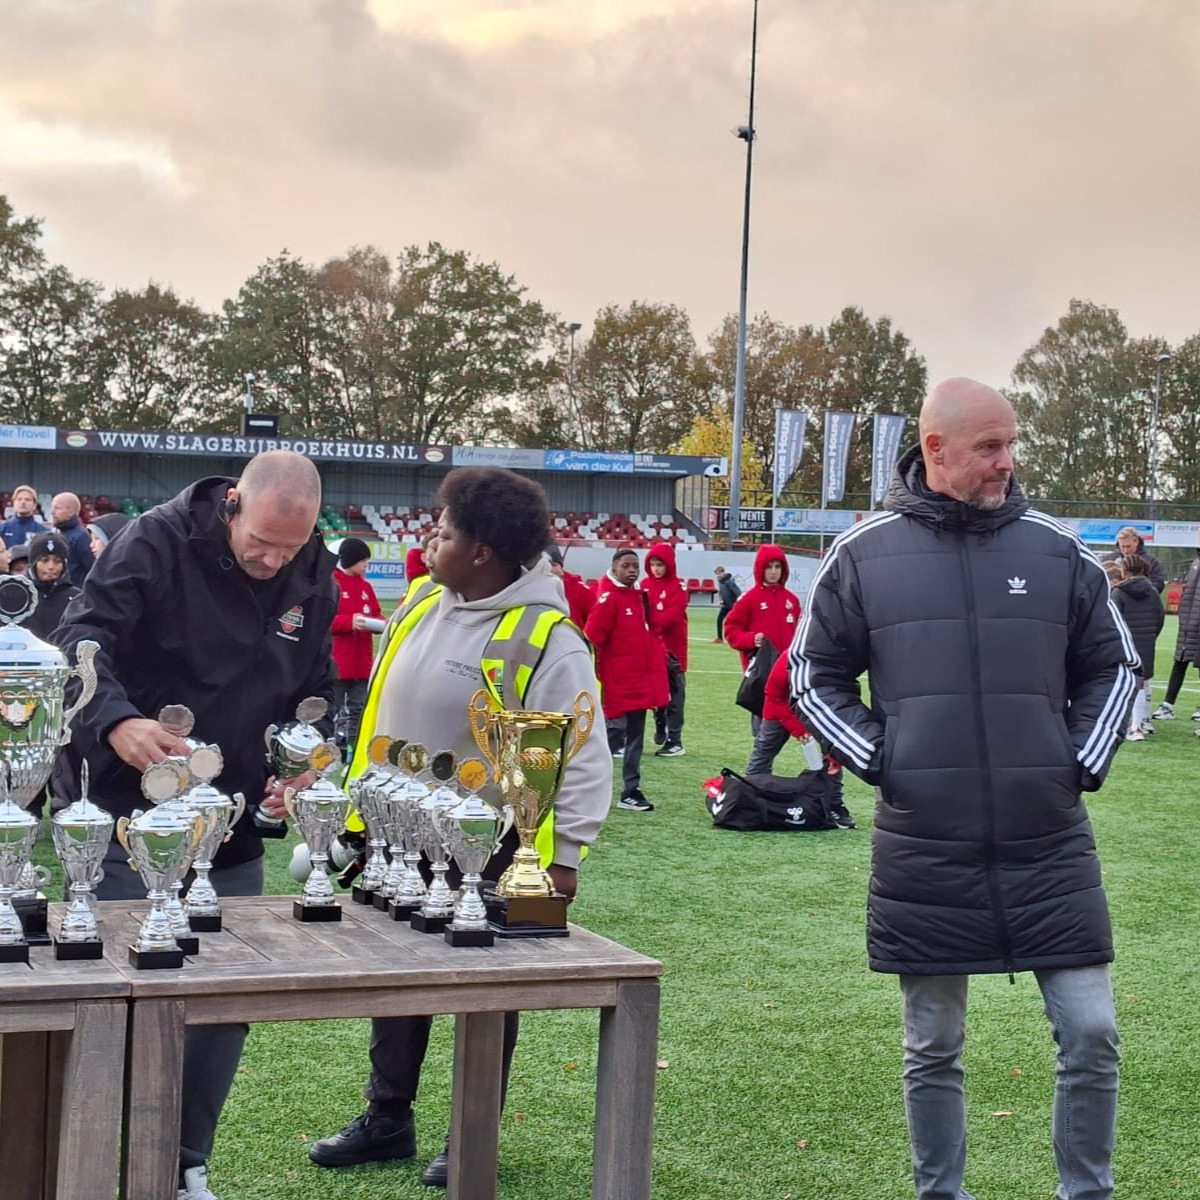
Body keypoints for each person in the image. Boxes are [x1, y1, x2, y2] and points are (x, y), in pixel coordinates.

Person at [790, 378, 1137, 1200]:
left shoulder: (1055, 550)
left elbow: (1114, 666)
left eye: (1012, 444)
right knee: (932, 1043)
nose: (1006, 464)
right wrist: (888, 760)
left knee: (1093, 1034)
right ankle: (940, 1194)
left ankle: (1086, 1193)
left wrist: (1077, 762)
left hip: (1049, 840)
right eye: (989, 448)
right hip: (925, 845)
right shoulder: (864, 554)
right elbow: (812, 676)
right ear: (935, 449)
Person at [309, 467, 608, 1188]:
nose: (428, 538)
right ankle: (388, 1118)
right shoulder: (421, 600)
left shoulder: (545, 635)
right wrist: (358, 813)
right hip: (398, 829)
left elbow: (581, 751)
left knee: (486, 988)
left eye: (442, 529)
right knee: (396, 978)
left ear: (481, 551)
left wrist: (561, 859)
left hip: (495, 842)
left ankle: (470, 1131)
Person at [51, 450, 337, 1200]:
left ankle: (184, 1165)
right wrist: (117, 722)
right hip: (125, 813)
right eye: (262, 544)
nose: (275, 561)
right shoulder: (153, 541)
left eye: (291, 548)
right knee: (119, 997)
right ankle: (96, 1166)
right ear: (233, 503)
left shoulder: (312, 570)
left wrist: (297, 759)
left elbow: (313, 687)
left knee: (220, 1007)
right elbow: (78, 645)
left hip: (229, 821)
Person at [585, 548, 668, 811]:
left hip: (639, 684)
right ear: (615, 568)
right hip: (616, 683)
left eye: (635, 566)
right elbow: (592, 636)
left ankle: (631, 791)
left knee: (635, 740)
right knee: (610, 735)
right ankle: (588, 789)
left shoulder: (640, 598)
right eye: (626, 566)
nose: (632, 570)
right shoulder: (609, 599)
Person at [723, 544, 802, 733]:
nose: (773, 572)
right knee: (762, 727)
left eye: (777, 566)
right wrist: (751, 639)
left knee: (797, 723)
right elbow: (731, 631)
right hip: (762, 673)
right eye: (768, 567)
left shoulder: (792, 600)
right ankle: (762, 762)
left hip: (788, 671)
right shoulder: (749, 599)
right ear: (760, 569)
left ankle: (818, 761)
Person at [331, 536, 382, 755]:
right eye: (362, 561)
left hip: (361, 665)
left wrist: (381, 625)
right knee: (332, 710)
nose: (366, 565)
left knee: (359, 710)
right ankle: (329, 750)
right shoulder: (331, 584)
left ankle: (353, 751)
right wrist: (348, 622)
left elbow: (377, 613)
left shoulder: (366, 587)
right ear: (350, 560)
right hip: (337, 662)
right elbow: (323, 620)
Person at [640, 541, 688, 756]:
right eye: (653, 564)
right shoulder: (644, 585)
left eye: (660, 564)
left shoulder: (678, 587)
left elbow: (670, 617)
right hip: (649, 651)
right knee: (653, 696)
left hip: (673, 654)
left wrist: (647, 619)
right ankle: (660, 725)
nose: (656, 569)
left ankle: (675, 740)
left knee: (675, 697)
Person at [1111, 554, 1164, 742]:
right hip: (1146, 643)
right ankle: (1140, 725)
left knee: (1123, 684)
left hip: (1124, 644)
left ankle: (1127, 725)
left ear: (1124, 571)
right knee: (1143, 683)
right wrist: (1150, 636)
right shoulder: (1153, 592)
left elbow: (1113, 620)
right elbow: (1160, 619)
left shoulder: (1119, 592)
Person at [1152, 528, 1200, 722]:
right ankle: (1167, 705)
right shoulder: (1195, 562)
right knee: (1179, 662)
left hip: (1196, 623)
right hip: (1188, 623)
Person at [24, 531, 80, 639]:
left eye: (57, 561)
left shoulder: (76, 597)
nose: (51, 566)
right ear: (33, 563)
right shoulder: (19, 593)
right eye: (44, 560)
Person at [1101, 525, 1165, 593]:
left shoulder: (1151, 561)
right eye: (1122, 546)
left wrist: (1139, 589)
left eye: (1128, 546)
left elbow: (1158, 584)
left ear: (1136, 542)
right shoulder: (1110, 559)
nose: (1125, 550)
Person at [48, 491, 94, 586]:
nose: (52, 512)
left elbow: (92, 570)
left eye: (57, 508)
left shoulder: (81, 537)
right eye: (52, 507)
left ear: (71, 512)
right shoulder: (56, 533)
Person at [546, 544, 594, 630]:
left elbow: (596, 622)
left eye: (553, 565)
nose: (550, 569)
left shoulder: (578, 589)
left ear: (561, 567)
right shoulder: (529, 590)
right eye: (545, 565)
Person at [0, 483, 47, 548]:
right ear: (13, 503)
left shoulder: (43, 532)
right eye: (19, 499)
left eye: (27, 499)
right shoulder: (2, 529)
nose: (23, 502)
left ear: (34, 505)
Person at [713, 564, 741, 642]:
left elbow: (737, 591)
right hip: (725, 605)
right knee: (719, 620)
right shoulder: (720, 582)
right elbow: (721, 593)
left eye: (719, 574)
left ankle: (736, 637)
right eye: (717, 574)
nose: (718, 576)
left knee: (734, 622)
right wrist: (721, 600)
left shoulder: (729, 582)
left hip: (732, 605)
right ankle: (719, 638)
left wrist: (738, 602)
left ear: (723, 572)